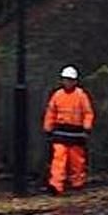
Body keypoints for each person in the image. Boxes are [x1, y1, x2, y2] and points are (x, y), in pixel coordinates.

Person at [43, 66, 95, 195]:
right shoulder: (58, 95)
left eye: (70, 80)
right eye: (66, 79)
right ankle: (56, 185)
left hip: (76, 132)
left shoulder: (81, 95)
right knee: (59, 158)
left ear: (75, 81)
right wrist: (48, 127)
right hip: (61, 131)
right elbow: (51, 112)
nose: (68, 82)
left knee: (76, 160)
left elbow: (88, 113)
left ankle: (77, 182)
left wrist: (86, 127)